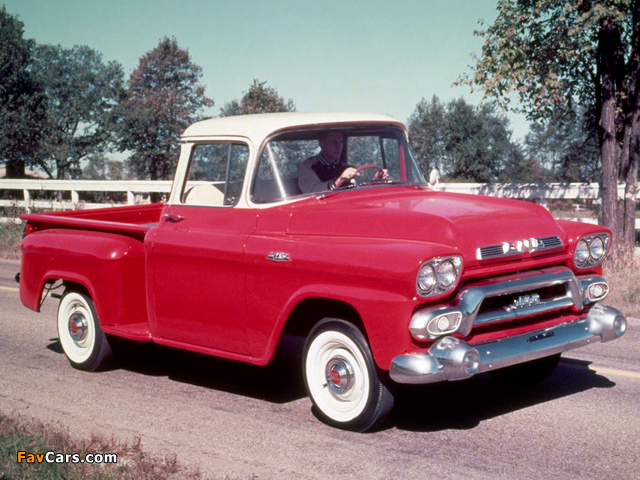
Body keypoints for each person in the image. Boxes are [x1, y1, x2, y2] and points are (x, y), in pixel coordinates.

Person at [297, 131, 388, 193]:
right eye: (334, 142)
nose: (339, 146)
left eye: (341, 142)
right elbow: (312, 191)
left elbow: (359, 190)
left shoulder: (346, 167)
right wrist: (339, 181)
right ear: (322, 144)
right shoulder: (308, 167)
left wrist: (375, 181)